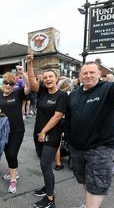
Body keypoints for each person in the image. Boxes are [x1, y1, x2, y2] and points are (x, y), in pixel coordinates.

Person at [65, 62, 114, 208]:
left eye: (92, 72)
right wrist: (69, 140)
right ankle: (88, 204)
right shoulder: (74, 94)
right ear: (79, 76)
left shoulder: (108, 88)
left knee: (98, 184)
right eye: (85, 73)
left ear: (99, 74)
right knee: (84, 180)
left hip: (100, 148)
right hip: (77, 148)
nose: (88, 76)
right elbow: (68, 118)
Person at [27, 54, 67, 208]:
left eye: (51, 76)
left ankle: (50, 200)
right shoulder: (42, 91)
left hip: (51, 134)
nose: (48, 79)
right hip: (38, 134)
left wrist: (43, 132)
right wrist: (30, 64)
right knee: (45, 165)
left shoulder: (62, 95)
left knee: (44, 164)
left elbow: (57, 116)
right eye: (45, 77)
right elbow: (31, 81)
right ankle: (47, 187)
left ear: (56, 78)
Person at [0, 66, 31, 194]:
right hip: (3, 131)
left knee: (12, 153)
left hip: (17, 130)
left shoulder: (17, 93)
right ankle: (12, 171)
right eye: (6, 82)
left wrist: (23, 73)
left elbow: (28, 87)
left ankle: (13, 179)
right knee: (8, 153)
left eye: (11, 83)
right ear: (3, 83)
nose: (8, 85)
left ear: (14, 85)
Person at [53, 77, 73, 171]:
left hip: (59, 119)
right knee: (70, 142)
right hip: (68, 121)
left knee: (57, 141)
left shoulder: (58, 94)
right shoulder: (72, 95)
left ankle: (58, 163)